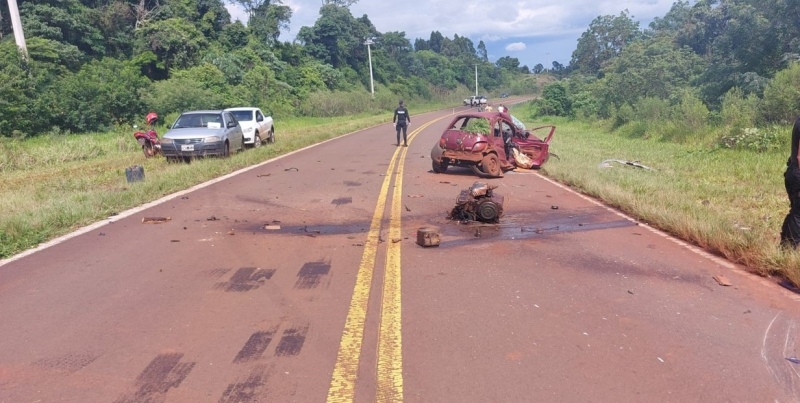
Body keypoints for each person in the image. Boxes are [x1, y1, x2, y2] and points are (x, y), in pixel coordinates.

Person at [781, 115, 800, 248]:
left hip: (793, 171)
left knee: (796, 211)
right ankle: (791, 248)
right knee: (798, 213)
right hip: (797, 172)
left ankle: (786, 247)